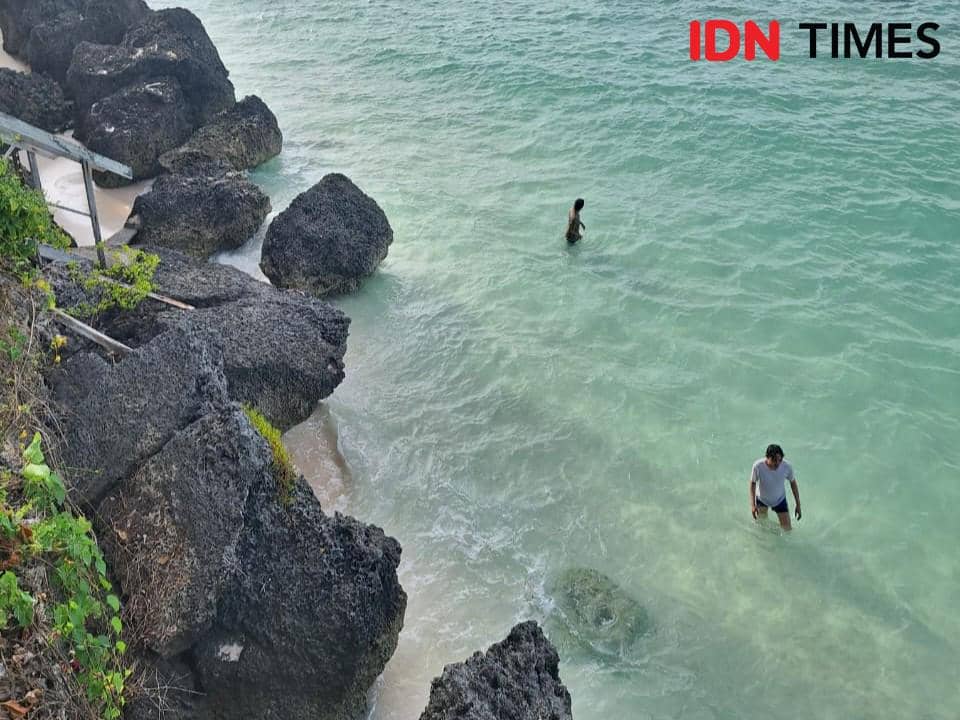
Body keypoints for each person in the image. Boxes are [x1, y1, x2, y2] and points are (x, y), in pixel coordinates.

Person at [749, 444, 801, 531]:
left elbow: (793, 484)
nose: (777, 463)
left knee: (788, 530)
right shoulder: (757, 466)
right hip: (762, 500)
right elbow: (752, 483)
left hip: (780, 500)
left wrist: (798, 505)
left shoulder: (787, 467)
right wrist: (753, 505)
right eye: (774, 460)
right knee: (761, 526)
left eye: (779, 460)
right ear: (767, 457)